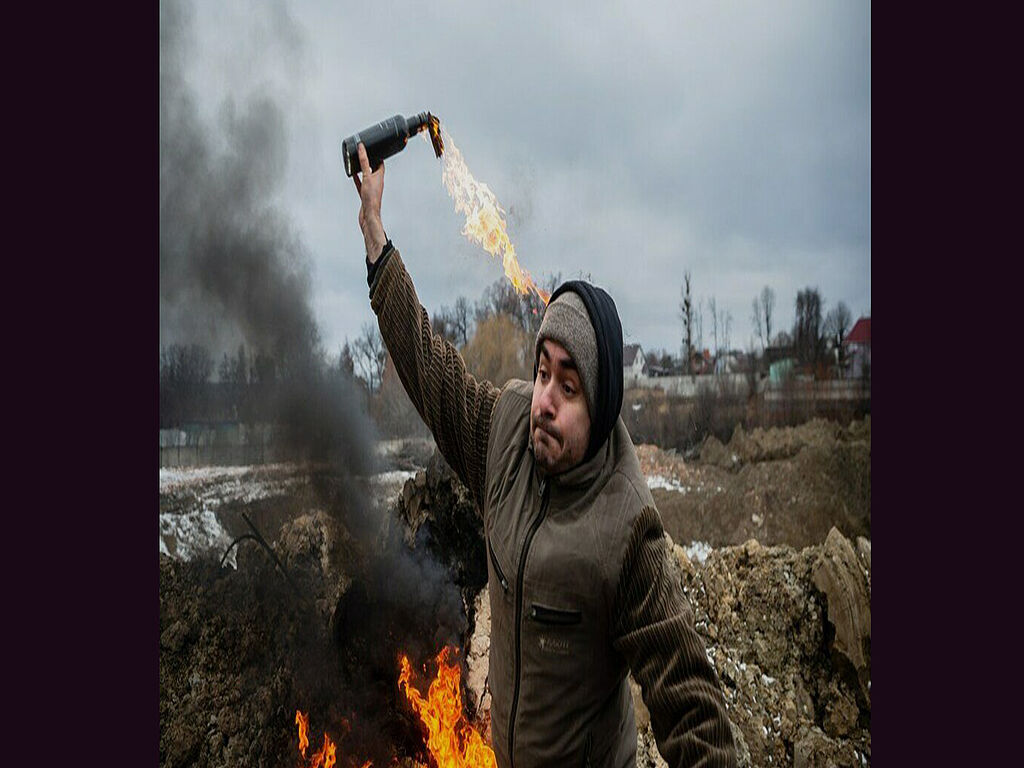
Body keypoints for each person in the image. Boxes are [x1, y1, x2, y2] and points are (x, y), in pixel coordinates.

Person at [351, 143, 736, 767]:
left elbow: (694, 711)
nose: (544, 401)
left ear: (601, 404)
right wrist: (376, 237)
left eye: (569, 385)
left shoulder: (626, 529)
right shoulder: (506, 434)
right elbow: (429, 370)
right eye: (541, 373)